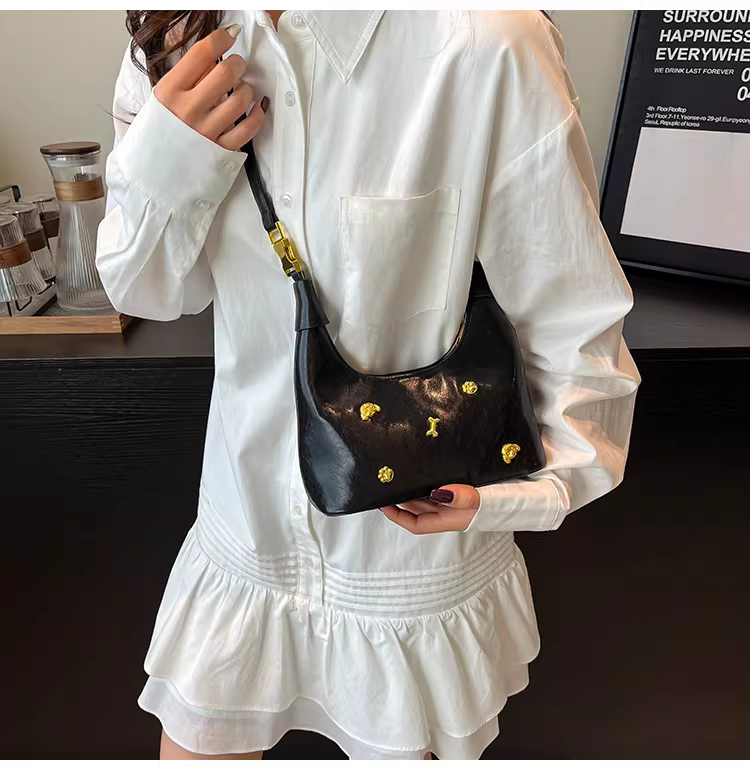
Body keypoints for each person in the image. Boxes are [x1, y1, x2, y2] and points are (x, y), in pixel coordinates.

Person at [97, 10, 640, 761]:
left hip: (409, 577)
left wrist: (514, 498)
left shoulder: (488, 42)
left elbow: (574, 329)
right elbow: (149, 290)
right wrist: (175, 158)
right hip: (239, 544)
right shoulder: (183, 31)